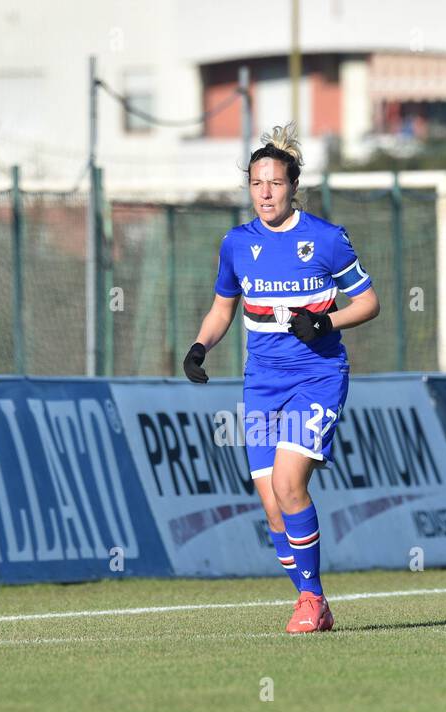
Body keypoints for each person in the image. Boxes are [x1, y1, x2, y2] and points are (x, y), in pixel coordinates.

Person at [184, 122, 381, 633]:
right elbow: (222, 307)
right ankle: (313, 601)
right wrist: (200, 347)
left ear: (293, 185)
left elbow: (368, 303)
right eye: (256, 183)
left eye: (274, 183)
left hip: (316, 376)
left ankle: (311, 602)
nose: (265, 193)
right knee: (273, 507)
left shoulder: (325, 239)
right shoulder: (236, 243)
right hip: (262, 382)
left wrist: (325, 322)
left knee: (291, 484)